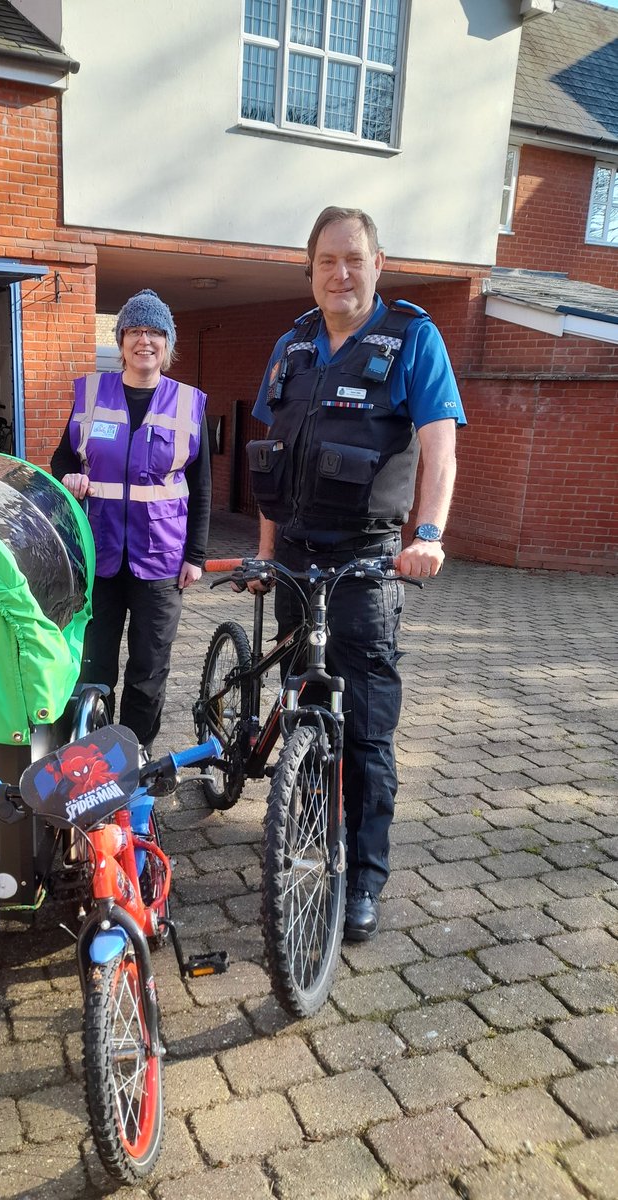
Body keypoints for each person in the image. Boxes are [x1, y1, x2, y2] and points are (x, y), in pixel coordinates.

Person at [248, 206, 466, 942]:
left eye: (353, 259)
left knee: (367, 728)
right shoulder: (292, 344)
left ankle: (363, 875)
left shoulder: (412, 338)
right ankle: (303, 819)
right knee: (300, 692)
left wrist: (427, 534)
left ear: (379, 264)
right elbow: (272, 463)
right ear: (309, 271)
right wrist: (265, 553)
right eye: (325, 262)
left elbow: (440, 450)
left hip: (369, 557)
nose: (340, 274)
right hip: (296, 557)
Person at [51, 289, 210, 757]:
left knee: (148, 667)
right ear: (120, 341)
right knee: (94, 664)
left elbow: (201, 488)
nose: (145, 340)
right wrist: (69, 476)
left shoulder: (189, 404)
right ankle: (92, 758)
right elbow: (62, 457)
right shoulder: (92, 395)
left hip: (161, 559)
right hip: (98, 555)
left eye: (155, 331)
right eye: (135, 331)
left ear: (168, 343)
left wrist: (195, 556)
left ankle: (134, 759)